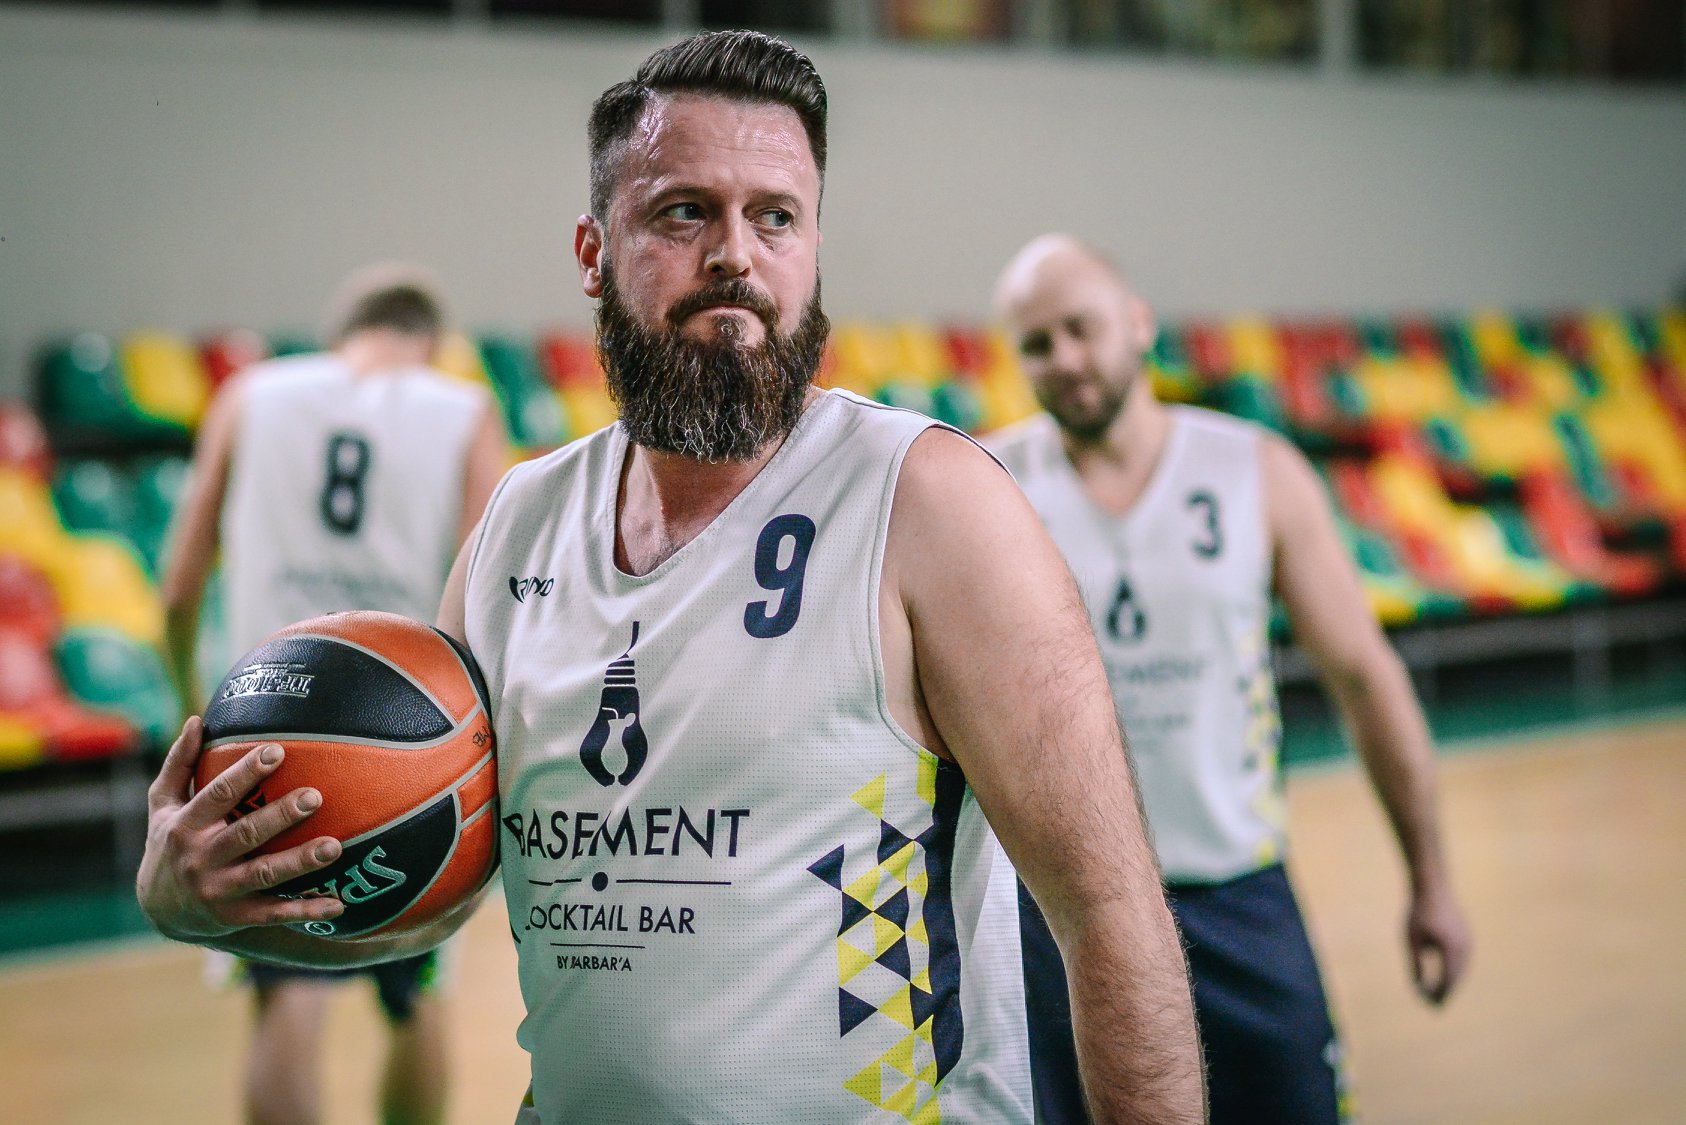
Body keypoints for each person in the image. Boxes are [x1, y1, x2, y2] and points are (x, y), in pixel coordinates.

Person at [136, 32, 1205, 1124]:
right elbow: (431, 895)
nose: (736, 254)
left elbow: (1110, 915)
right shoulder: (516, 529)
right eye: (685, 213)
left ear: (814, 247)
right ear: (594, 251)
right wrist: (203, 905)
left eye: (775, 217)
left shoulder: (929, 503)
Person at [988, 233, 1475, 1124]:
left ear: (1139, 324)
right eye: (1037, 343)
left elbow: (1363, 677)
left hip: (1236, 894)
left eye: (1081, 328)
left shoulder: (1255, 471)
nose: (1065, 358)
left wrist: (1430, 879)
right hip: (1060, 914)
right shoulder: (987, 486)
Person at [157, 265, 506, 1125]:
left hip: (261, 730)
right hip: (411, 741)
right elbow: (491, 589)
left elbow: (178, 586)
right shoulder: (462, 408)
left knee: (286, 990)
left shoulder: (250, 393)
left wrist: (191, 713)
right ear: (430, 340)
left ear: (341, 333)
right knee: (418, 990)